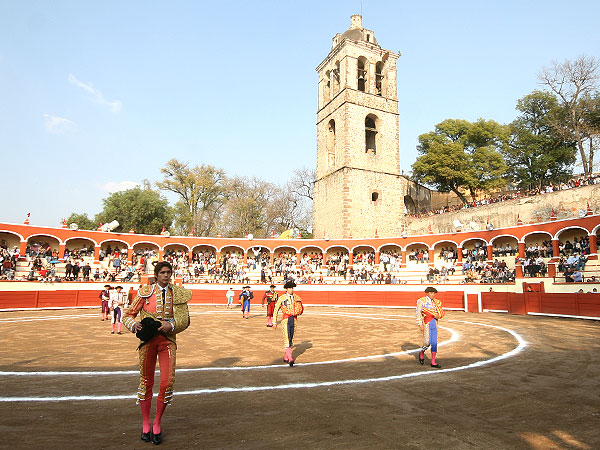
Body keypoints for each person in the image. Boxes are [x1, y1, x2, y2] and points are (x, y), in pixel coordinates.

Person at [122, 261, 192, 445]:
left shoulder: (177, 293)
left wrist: (172, 325)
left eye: (169, 272)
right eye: (162, 272)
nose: (166, 275)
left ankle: (157, 422)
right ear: (156, 274)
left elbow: (185, 319)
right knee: (146, 381)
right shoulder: (145, 293)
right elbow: (127, 315)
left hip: (167, 341)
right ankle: (146, 423)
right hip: (148, 342)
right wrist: (134, 325)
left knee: (167, 382)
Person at [273, 280, 304, 366]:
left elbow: (301, 308)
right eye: (290, 288)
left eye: (292, 288)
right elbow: (276, 309)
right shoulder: (282, 298)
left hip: (294, 319)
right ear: (286, 289)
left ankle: (286, 357)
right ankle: (290, 359)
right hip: (285, 319)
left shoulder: (296, 297)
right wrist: (274, 322)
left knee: (291, 339)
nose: (291, 289)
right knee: (287, 338)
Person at [416, 286, 445, 369]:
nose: (433, 295)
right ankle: (422, 352)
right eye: (431, 293)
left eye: (434, 293)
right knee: (427, 342)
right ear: (427, 293)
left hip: (434, 323)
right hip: (426, 323)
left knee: (434, 342)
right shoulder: (422, 301)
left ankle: (433, 361)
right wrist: (420, 324)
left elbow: (440, 312)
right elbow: (418, 313)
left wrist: (438, 316)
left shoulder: (436, 302)